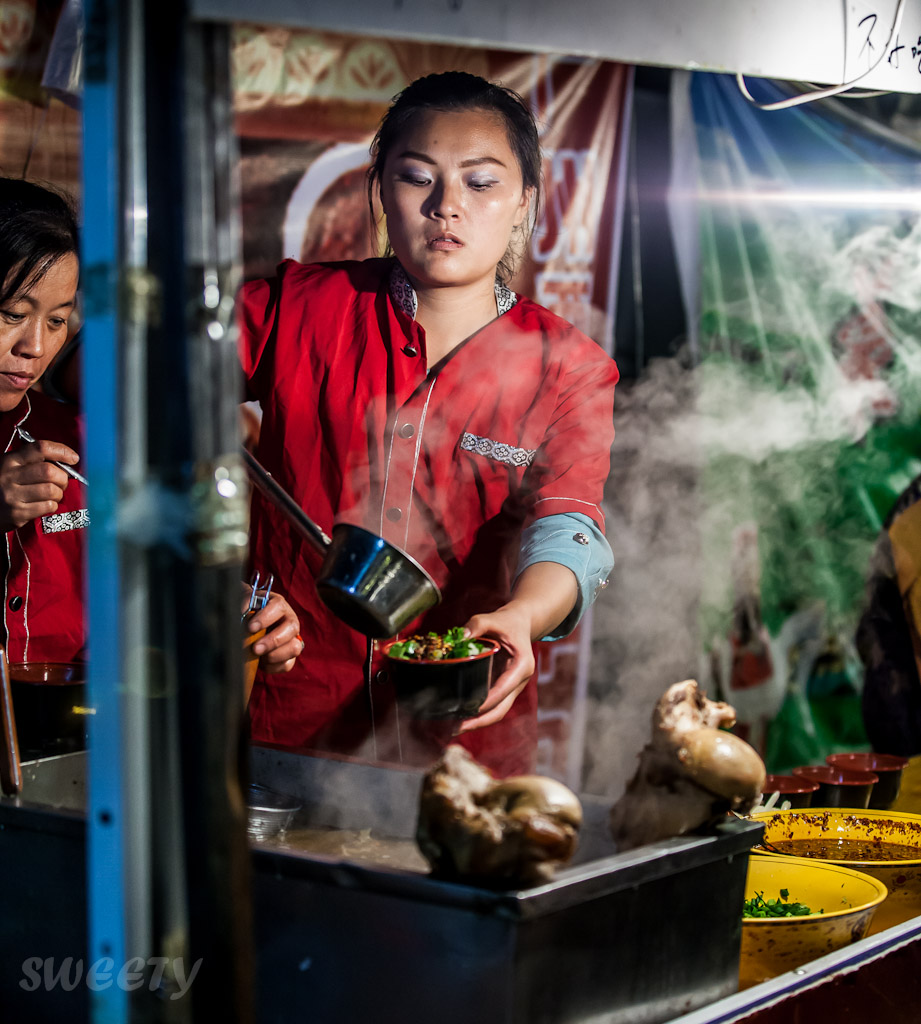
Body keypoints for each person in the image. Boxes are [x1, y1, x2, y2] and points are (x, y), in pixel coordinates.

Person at [239, 72, 619, 776]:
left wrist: (522, 617)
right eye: (417, 178)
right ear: (380, 189)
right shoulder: (296, 307)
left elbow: (569, 524)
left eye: (480, 183)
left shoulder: (568, 365)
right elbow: (117, 387)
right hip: (285, 718)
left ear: (523, 205)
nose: (447, 207)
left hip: (460, 742)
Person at [0, 177, 301, 672]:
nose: (34, 346)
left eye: (56, 321)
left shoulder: (76, 440)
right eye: (13, 313)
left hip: (67, 734)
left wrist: (236, 614)